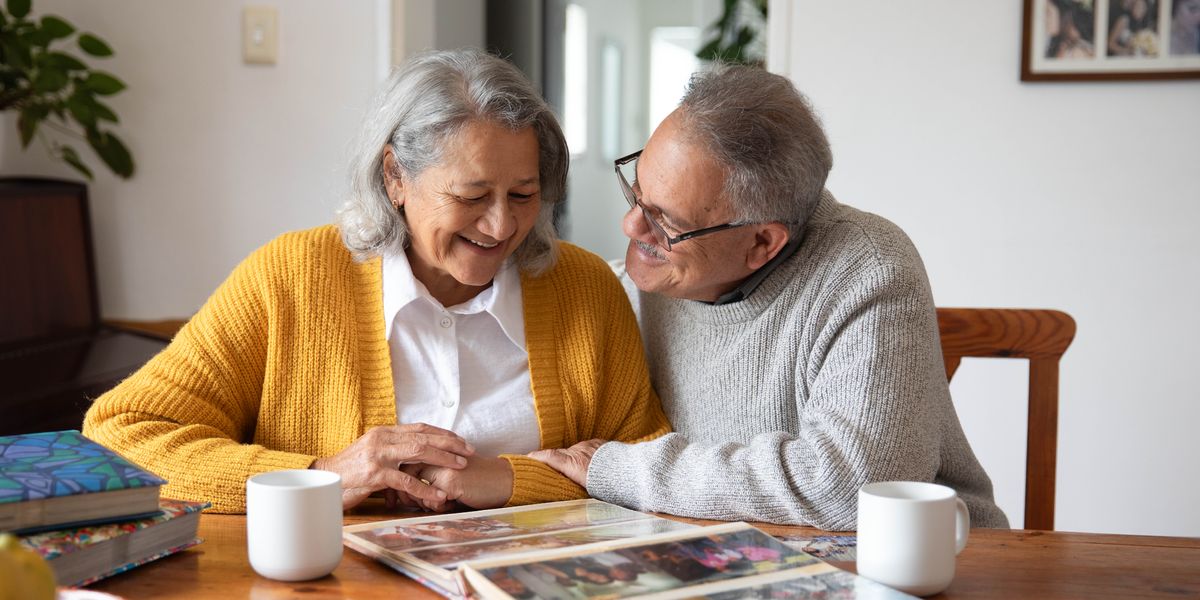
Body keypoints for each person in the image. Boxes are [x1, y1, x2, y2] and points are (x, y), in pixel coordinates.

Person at [82, 48, 669, 514]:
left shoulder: (586, 288)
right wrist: (320, 478)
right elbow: (121, 436)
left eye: (523, 195)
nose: (501, 225)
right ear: (395, 177)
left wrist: (510, 479)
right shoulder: (289, 279)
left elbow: (646, 462)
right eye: (470, 197)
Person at [530, 63, 1009, 530]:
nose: (631, 226)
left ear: (763, 243)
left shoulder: (868, 268)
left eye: (665, 221)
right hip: (725, 554)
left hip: (922, 563)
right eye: (636, 192)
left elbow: (853, 489)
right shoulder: (647, 278)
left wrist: (621, 470)